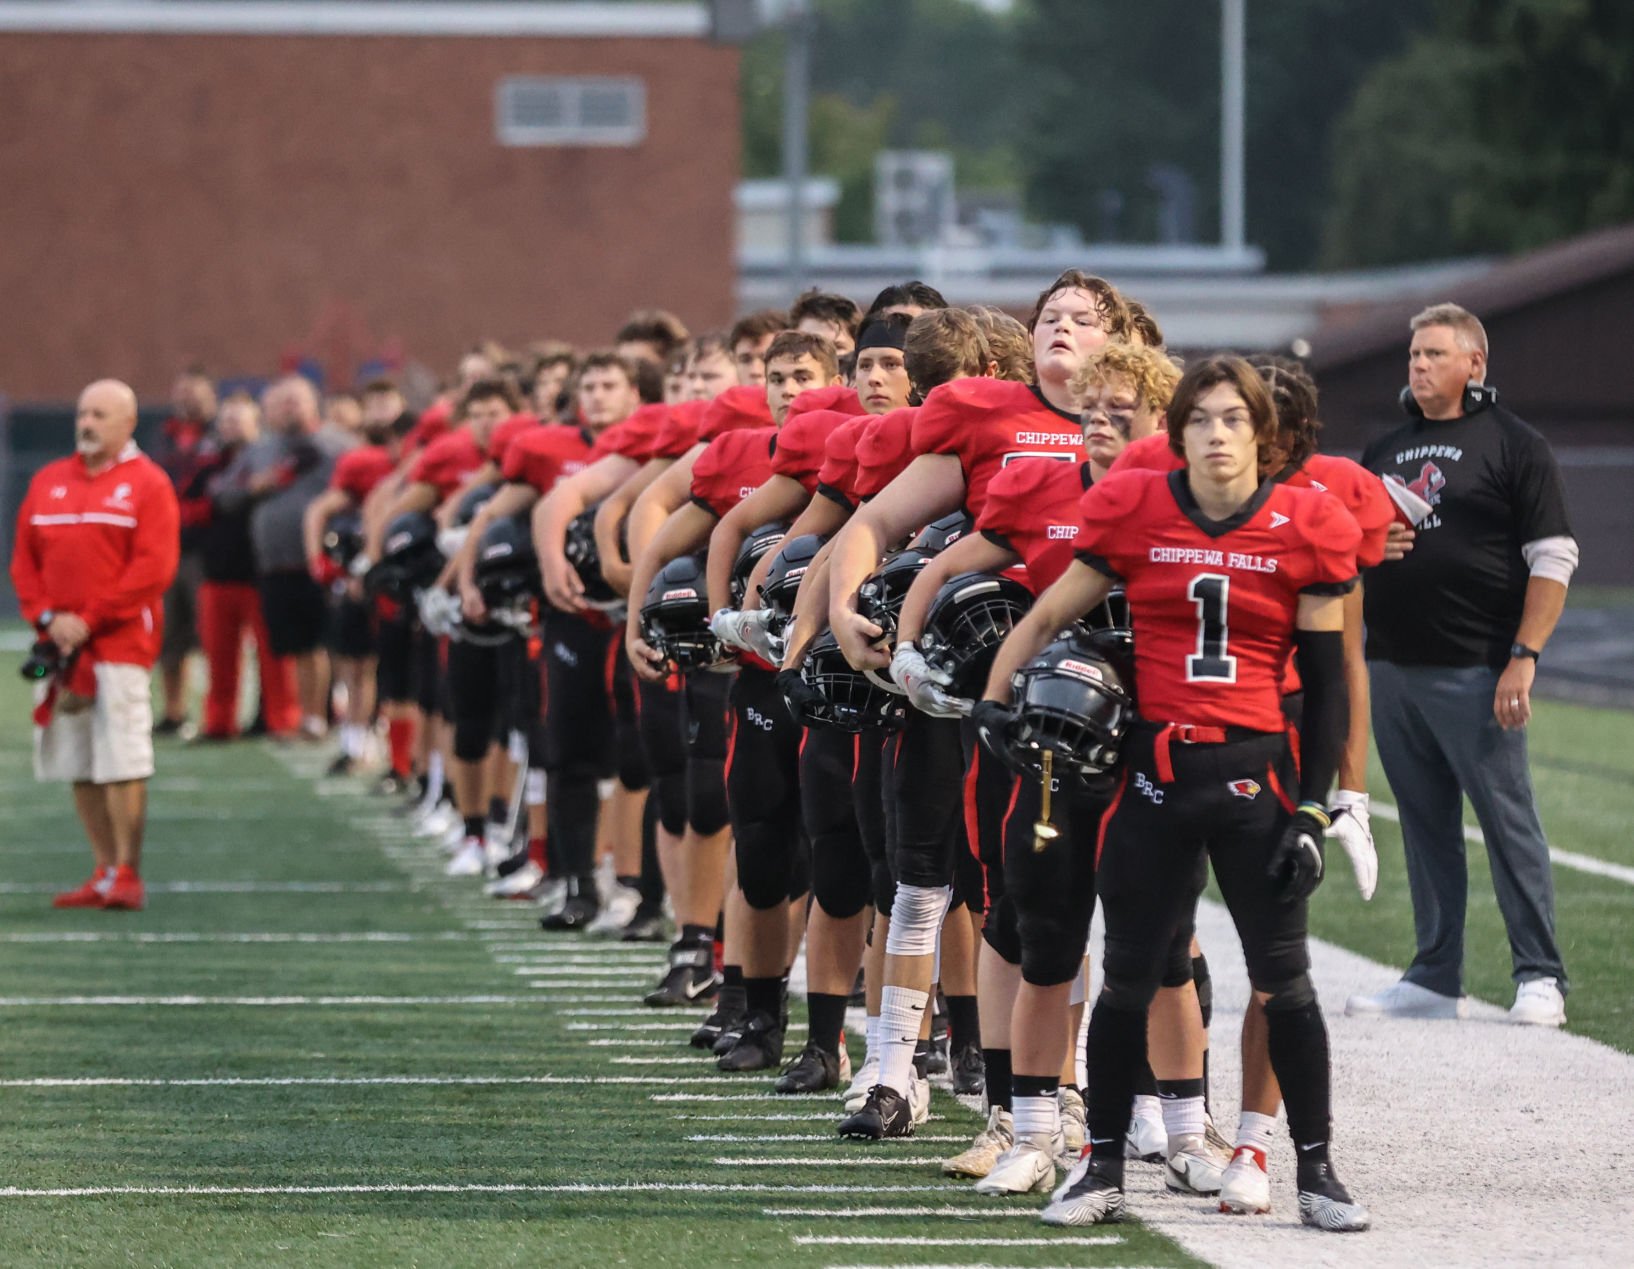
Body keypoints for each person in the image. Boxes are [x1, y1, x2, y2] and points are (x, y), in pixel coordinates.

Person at [978, 354, 1368, 1231]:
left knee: (1288, 983)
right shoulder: (1135, 506)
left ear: (1261, 434)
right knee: (1125, 979)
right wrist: (993, 700)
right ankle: (1102, 1166)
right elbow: (1045, 614)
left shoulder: (1307, 523)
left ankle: (1317, 1169)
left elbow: (1327, 679)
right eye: (1203, 419)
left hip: (1255, 770)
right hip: (1154, 775)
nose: (1218, 433)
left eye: (1234, 419)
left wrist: (1317, 803)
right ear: (1180, 431)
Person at [1346, 303, 1577, 1028]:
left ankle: (1540, 974)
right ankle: (1435, 972)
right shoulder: (1382, 448)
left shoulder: (1515, 444)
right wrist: (1366, 547)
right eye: (1414, 354)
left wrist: (1524, 656)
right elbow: (1343, 550)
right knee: (1423, 821)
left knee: (1508, 821)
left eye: (1435, 354)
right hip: (1390, 664)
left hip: (1477, 665)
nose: (1418, 365)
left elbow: (1554, 557)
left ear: (1474, 364)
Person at [11, 379, 180, 911]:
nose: (87, 423)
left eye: (100, 415)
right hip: (60, 648)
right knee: (77, 761)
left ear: (129, 424)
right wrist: (46, 617)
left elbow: (152, 569)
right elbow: (23, 561)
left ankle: (129, 872)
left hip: (120, 645)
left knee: (122, 757)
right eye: (83, 413)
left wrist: (89, 619)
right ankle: (104, 869)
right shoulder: (48, 481)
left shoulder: (148, 484)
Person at [191, 393, 300, 740]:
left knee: (274, 657)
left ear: (257, 424)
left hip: (261, 573)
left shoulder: (272, 458)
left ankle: (279, 718)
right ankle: (219, 721)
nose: (231, 426)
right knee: (219, 658)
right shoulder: (209, 464)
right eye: (227, 420)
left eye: (239, 420)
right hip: (218, 573)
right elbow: (195, 505)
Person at [151, 365, 217, 735]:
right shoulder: (164, 437)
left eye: (195, 392)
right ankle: (174, 711)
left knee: (208, 635)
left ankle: (214, 712)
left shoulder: (220, 438)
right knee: (169, 635)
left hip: (205, 550)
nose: (188, 400)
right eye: (183, 392)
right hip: (167, 548)